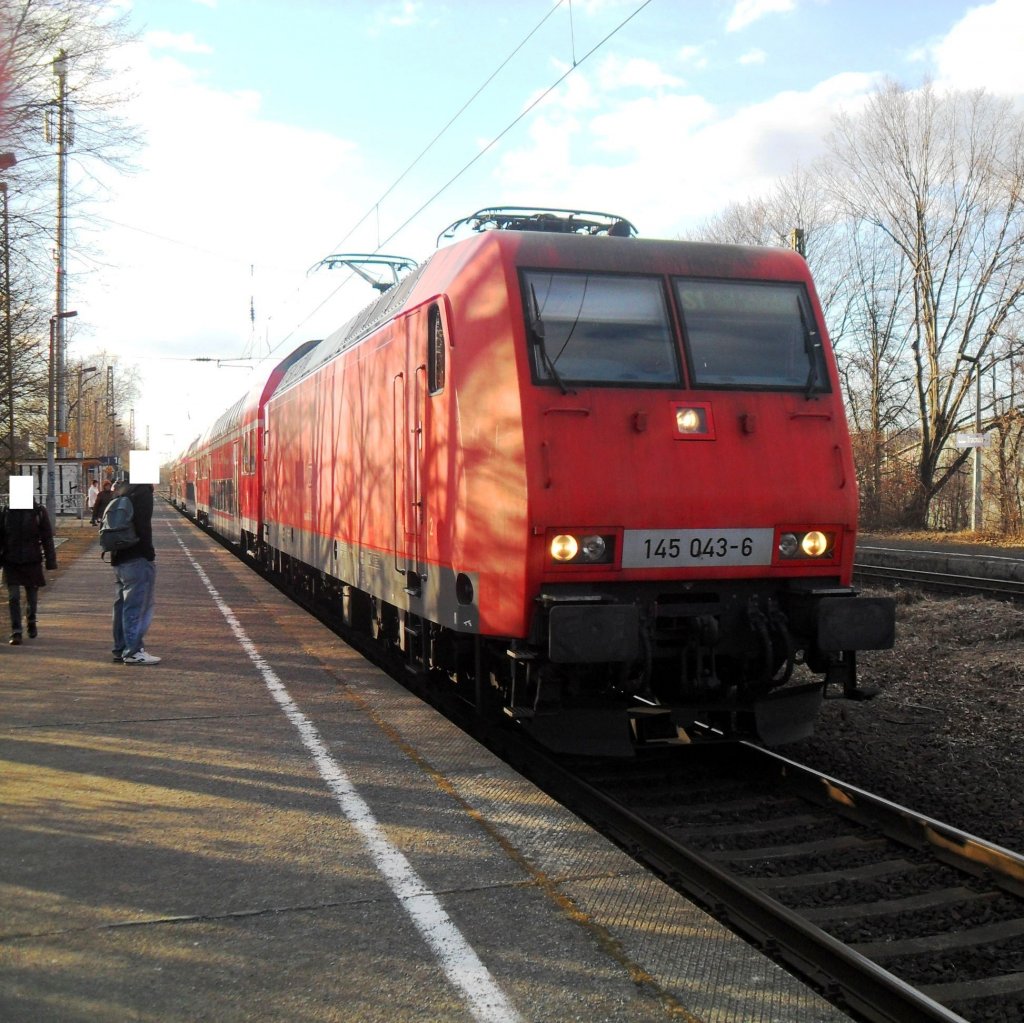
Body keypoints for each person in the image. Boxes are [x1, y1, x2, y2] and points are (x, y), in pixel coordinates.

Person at [110, 476, 160, 665]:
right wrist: (149, 555)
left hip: (119, 555)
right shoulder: (143, 492)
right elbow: (143, 527)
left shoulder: (123, 490)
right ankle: (133, 651)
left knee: (122, 605)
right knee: (138, 606)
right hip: (136, 557)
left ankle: (120, 648)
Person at [0, 500, 58, 645]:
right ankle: (16, 631)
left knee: (31, 598)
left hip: (32, 560)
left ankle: (31, 619)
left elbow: (47, 538)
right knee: (13, 597)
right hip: (11, 560)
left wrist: (51, 561)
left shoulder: (38, 511)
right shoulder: (6, 512)